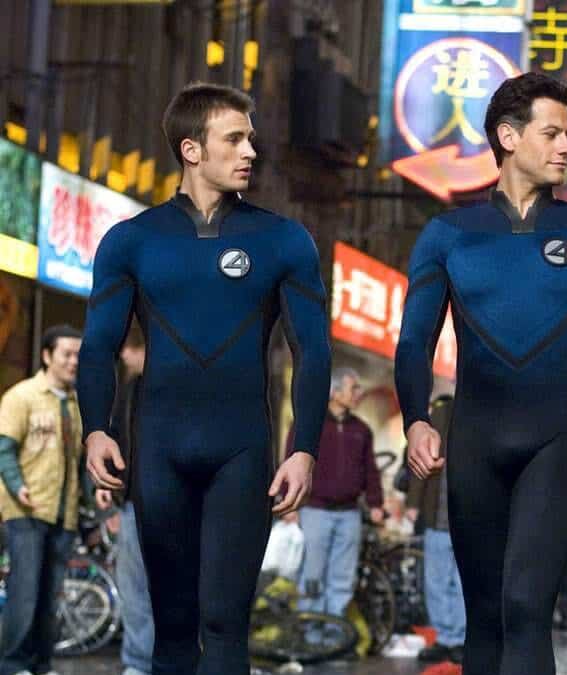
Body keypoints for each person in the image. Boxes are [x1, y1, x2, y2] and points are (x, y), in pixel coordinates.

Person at [394, 72, 567, 675]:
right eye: (553, 133)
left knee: (526, 607)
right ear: (508, 137)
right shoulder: (448, 234)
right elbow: (414, 339)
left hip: (557, 441)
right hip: (474, 440)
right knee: (485, 616)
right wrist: (414, 419)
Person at [77, 82, 332, 675]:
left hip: (241, 452)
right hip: (158, 451)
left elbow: (313, 350)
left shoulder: (283, 240)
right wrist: (96, 429)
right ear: (192, 150)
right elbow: (98, 346)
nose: (251, 151)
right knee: (171, 629)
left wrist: (304, 448)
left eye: (251, 139)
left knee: (225, 626)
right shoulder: (131, 241)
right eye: (234, 139)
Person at [0, 325, 84, 675]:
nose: (74, 361)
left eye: (79, 355)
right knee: (26, 591)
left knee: (50, 595)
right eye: (67, 354)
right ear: (47, 356)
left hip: (64, 513)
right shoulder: (22, 396)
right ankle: (12, 664)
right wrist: (17, 485)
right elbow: (4, 448)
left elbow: (79, 459)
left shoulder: (78, 405)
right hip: (27, 509)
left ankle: (41, 663)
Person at [287, 368, 384, 617]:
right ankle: (310, 634)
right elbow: (292, 462)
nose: (358, 393)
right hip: (314, 511)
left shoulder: (362, 430)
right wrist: (290, 504)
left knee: (342, 579)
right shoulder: (309, 424)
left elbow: (370, 469)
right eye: (353, 388)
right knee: (312, 576)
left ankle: (334, 632)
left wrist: (375, 503)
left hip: (350, 514)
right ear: (335, 392)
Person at [95, 333, 154, 675]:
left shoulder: (186, 387)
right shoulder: (128, 390)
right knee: (134, 587)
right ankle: (138, 662)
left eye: (131, 349)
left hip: (179, 502)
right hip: (133, 502)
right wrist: (109, 489)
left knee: (175, 585)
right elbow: (114, 438)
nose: (126, 357)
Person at [406, 395, 465, 666]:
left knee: (463, 583)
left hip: (468, 519)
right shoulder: (440, 413)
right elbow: (421, 459)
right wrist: (413, 503)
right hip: (437, 516)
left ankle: (461, 638)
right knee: (437, 582)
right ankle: (444, 637)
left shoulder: (487, 409)